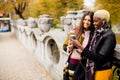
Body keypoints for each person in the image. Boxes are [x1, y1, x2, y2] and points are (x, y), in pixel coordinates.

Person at [72, 10, 116, 80]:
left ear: (103, 21)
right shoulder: (98, 33)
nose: (94, 24)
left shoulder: (109, 35)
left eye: (96, 21)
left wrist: (80, 47)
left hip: (103, 71)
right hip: (95, 70)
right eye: (93, 21)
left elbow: (100, 58)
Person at [63, 11, 95, 80]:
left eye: (89, 20)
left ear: (92, 22)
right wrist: (69, 48)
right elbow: (64, 46)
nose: (86, 22)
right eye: (85, 19)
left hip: (85, 65)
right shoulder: (75, 31)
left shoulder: (94, 35)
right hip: (73, 62)